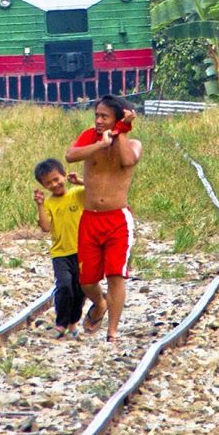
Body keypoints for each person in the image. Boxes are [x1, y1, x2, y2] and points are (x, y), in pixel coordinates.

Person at [64, 94, 142, 345]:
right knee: (87, 280)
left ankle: (112, 332)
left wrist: (121, 132)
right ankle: (100, 303)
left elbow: (127, 160)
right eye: (96, 115)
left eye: (104, 117)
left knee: (115, 274)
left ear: (118, 119)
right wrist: (100, 144)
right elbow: (70, 155)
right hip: (90, 219)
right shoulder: (90, 137)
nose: (98, 121)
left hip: (117, 219)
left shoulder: (133, 144)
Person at [33, 158, 86, 339]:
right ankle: (61, 323)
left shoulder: (77, 193)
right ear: (44, 186)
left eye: (56, 179)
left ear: (64, 175)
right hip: (60, 253)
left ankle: (73, 322)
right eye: (49, 183)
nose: (54, 185)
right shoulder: (48, 203)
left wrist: (79, 181)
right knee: (64, 285)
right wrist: (40, 205)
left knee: (80, 289)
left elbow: (97, 190)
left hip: (82, 251)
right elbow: (45, 227)